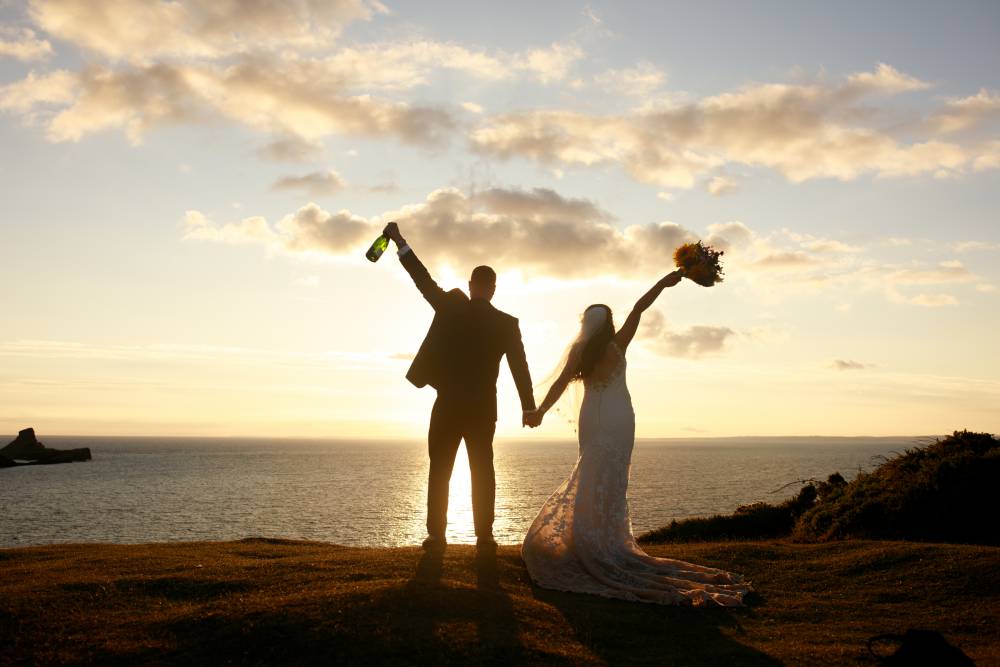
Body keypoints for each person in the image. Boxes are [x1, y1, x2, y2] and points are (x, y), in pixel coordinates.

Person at [522, 270, 751, 606]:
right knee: (610, 475)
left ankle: (591, 539)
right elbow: (640, 308)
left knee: (591, 472)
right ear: (608, 323)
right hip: (620, 417)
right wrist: (665, 282)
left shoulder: (579, 352)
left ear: (586, 324)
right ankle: (604, 539)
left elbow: (558, 385)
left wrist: (540, 411)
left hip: (593, 416)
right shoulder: (618, 342)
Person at [382, 222, 536, 553]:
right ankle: (485, 536)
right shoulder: (506, 324)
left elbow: (422, 280)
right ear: (493, 289)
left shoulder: (452, 306)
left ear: (470, 286)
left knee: (440, 470)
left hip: (448, 404)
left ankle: (436, 536)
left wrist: (400, 242)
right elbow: (519, 367)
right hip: (482, 408)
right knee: (482, 470)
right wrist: (528, 406)